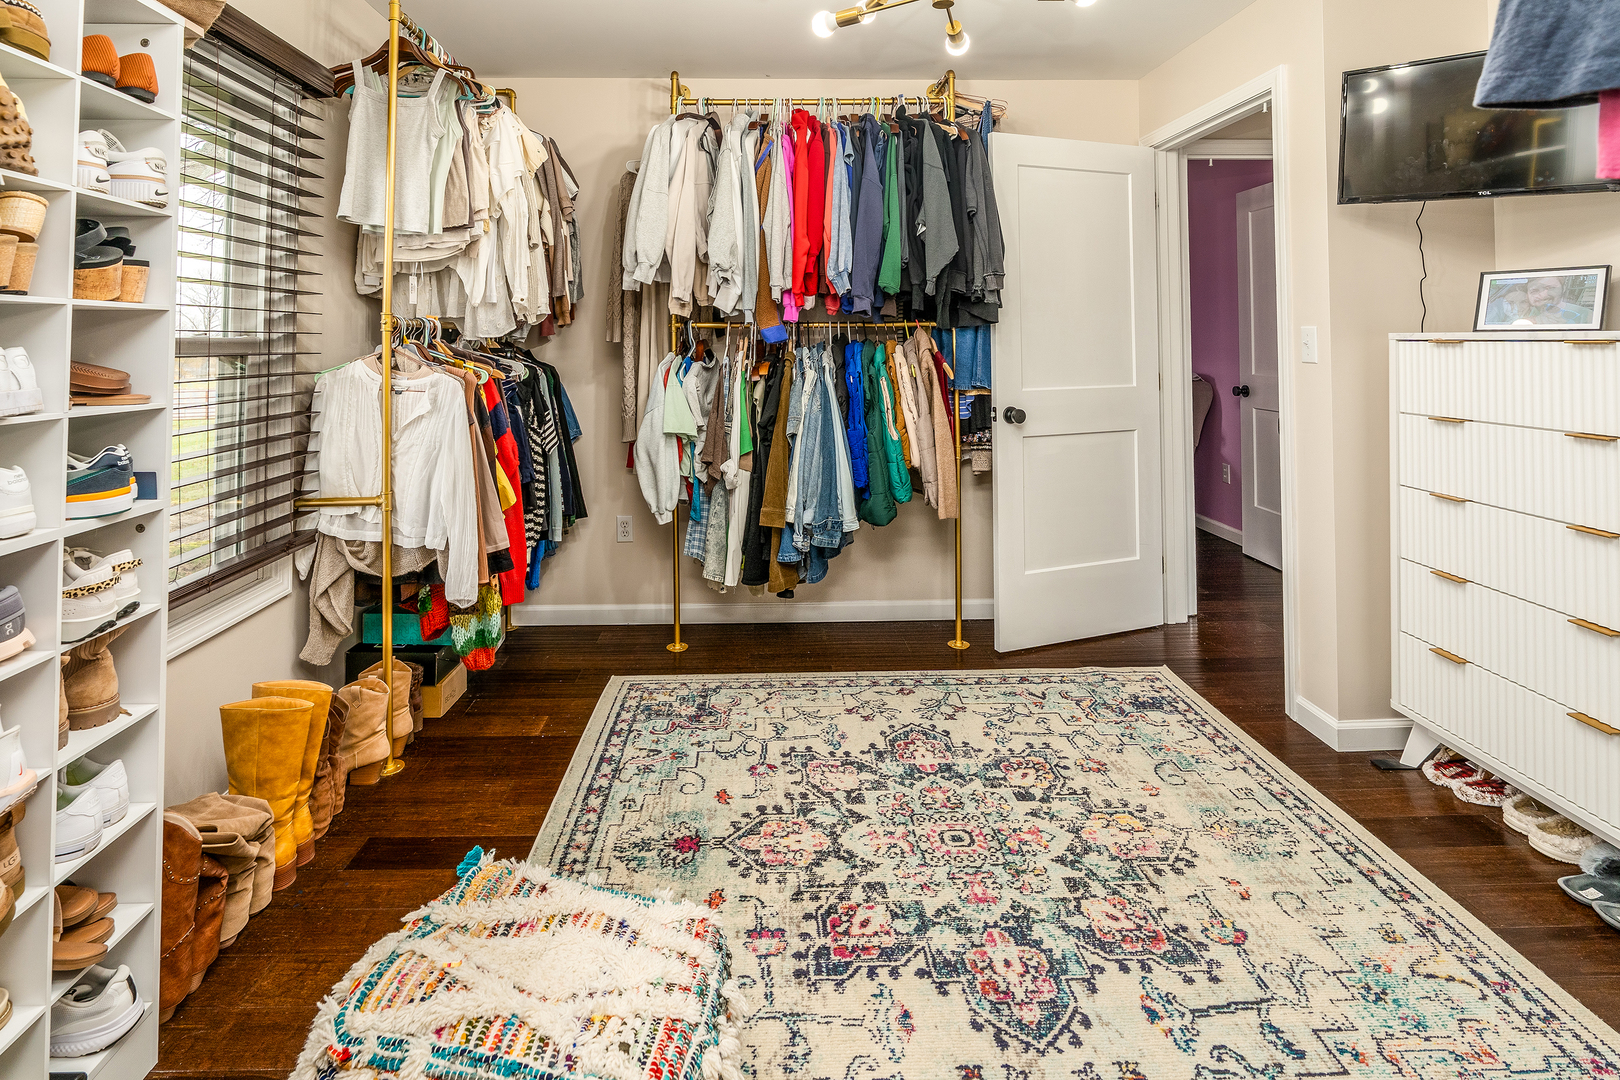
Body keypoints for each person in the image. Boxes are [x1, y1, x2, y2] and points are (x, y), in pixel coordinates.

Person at [1525, 275, 1592, 324]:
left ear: (1563, 288)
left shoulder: (1585, 315)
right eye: (1534, 290)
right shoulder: (1522, 314)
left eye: (1550, 288)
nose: (1543, 295)